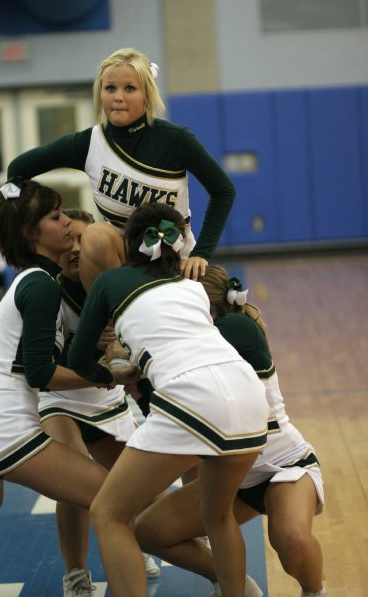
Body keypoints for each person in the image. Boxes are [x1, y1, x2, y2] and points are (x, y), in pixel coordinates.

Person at [0, 178, 138, 597]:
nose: (68, 224)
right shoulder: (39, 285)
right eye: (56, 217)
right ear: (29, 233)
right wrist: (109, 376)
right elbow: (41, 373)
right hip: (4, 429)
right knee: (111, 501)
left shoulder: (35, 280)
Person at [63, 202, 269, 597]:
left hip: (192, 399)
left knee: (109, 513)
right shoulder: (192, 288)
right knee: (217, 516)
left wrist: (112, 374)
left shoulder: (109, 282)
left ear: (129, 246)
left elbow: (77, 358)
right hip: (247, 397)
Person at [132, 265, 326, 597]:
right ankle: (231, 582)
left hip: (283, 466)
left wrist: (136, 357)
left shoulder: (235, 327)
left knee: (289, 539)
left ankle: (315, 592)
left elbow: (177, 364)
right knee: (149, 531)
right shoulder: (195, 344)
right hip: (232, 478)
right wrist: (138, 388)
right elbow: (167, 413)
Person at [7, 47, 235, 289]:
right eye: (110, 88)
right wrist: (29, 231)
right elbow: (17, 169)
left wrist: (203, 252)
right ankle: (109, 319)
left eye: (129, 88)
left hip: (176, 259)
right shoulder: (88, 144)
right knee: (95, 235)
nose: (118, 96)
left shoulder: (175, 139)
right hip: (123, 261)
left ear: (146, 95)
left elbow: (223, 191)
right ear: (100, 93)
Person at [37, 207, 160, 596]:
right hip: (61, 394)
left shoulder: (117, 288)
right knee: (72, 485)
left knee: (142, 487)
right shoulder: (47, 292)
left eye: (84, 244)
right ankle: (76, 573)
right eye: (70, 243)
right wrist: (100, 353)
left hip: (104, 397)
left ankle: (128, 542)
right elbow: (49, 366)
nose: (76, 250)